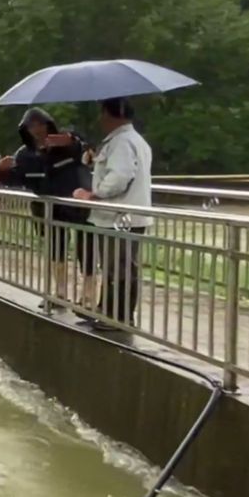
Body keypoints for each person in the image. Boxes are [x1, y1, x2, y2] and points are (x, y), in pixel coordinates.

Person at [0, 107, 96, 312]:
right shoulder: (24, 155)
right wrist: (1, 170)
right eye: (31, 126)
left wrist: (72, 139)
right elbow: (15, 179)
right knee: (55, 249)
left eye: (40, 124)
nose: (37, 130)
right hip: (47, 208)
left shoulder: (66, 144)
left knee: (85, 248)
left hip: (76, 204)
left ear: (48, 124)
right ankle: (59, 293)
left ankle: (88, 294)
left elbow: (87, 152)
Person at [72, 97, 152, 330]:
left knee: (119, 268)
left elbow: (119, 176)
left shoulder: (122, 142)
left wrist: (94, 194)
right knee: (114, 267)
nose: (100, 119)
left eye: (103, 113)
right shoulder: (130, 140)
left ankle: (119, 316)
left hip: (120, 217)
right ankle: (107, 310)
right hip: (123, 216)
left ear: (111, 114)